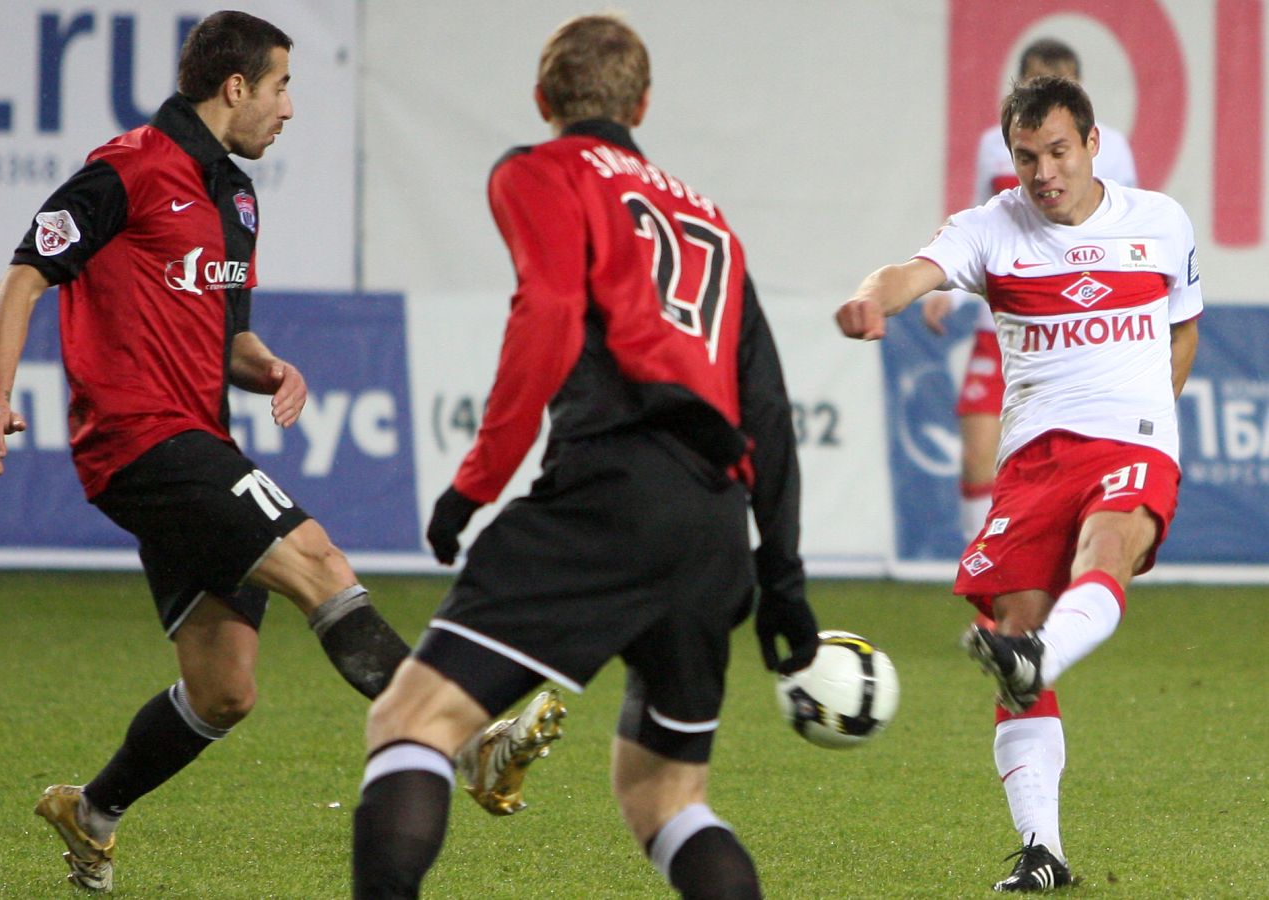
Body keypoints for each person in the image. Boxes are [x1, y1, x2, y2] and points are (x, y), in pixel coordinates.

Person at [0, 11, 555, 893]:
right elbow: (23, 277)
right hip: (139, 440)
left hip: (197, 438)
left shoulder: (235, 198)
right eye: (280, 87)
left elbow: (226, 337)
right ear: (234, 86)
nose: (288, 108)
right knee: (320, 563)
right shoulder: (125, 169)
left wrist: (268, 365)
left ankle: (92, 811)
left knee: (223, 691)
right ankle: (467, 743)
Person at [352, 14, 818, 899]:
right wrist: (783, 576)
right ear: (642, 105)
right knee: (667, 798)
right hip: (712, 527)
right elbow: (766, 404)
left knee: (412, 721)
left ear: (542, 99)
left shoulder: (539, 170)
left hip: (610, 494)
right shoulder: (708, 218)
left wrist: (473, 486)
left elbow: (550, 317)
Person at [836, 75, 1201, 891]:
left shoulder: (1159, 221)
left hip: (1131, 441)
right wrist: (870, 298)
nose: (1043, 173)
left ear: (1094, 143)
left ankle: (1038, 655)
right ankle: (1044, 851)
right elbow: (911, 273)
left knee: (1108, 545)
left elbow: (1183, 327)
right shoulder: (991, 228)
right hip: (1034, 462)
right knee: (1014, 629)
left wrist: (1155, 415)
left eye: (1059, 152)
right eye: (1026, 156)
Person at [922, 38, 1138, 542]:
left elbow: (1131, 230)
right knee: (978, 454)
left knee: (1069, 468)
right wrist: (951, 290)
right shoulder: (993, 146)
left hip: (1074, 327)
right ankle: (982, 568)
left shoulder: (1111, 148)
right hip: (1003, 323)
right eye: (1040, 82)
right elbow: (984, 227)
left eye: (1064, 83)